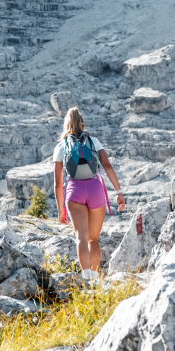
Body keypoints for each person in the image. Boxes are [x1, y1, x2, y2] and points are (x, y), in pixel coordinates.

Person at [51, 107, 124, 277]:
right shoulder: (94, 142)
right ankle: (95, 280)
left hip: (74, 192)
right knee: (93, 239)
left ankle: (86, 279)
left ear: (66, 126)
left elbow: (58, 183)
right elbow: (107, 166)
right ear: (82, 125)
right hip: (95, 190)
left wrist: (61, 211)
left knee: (81, 238)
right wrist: (119, 192)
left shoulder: (61, 146)